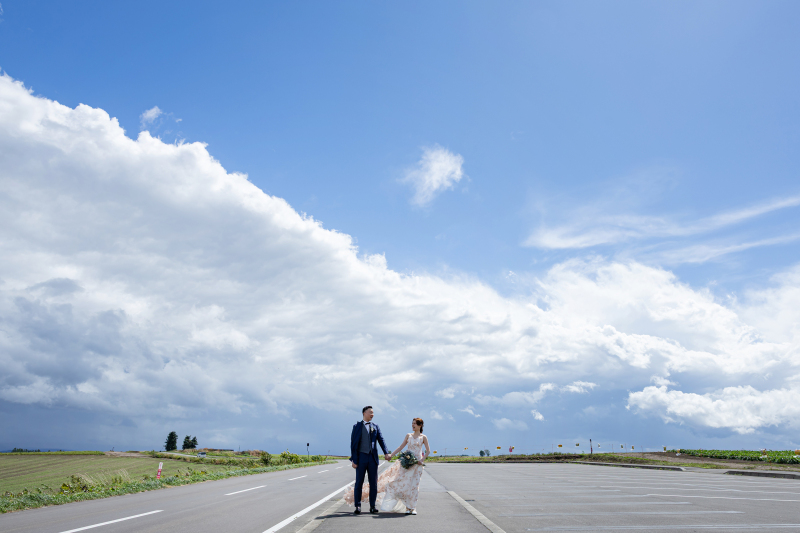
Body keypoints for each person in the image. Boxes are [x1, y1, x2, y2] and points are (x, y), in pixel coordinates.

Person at [344, 417, 431, 515]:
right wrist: (390, 455)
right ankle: (407, 507)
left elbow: (428, 450)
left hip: (417, 466)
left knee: (414, 486)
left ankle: (412, 508)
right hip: (407, 464)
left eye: (415, 423)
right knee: (405, 485)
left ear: (420, 425)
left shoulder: (423, 437)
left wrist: (421, 460)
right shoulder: (408, 435)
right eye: (412, 423)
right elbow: (401, 447)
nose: (412, 425)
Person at [347, 406, 390, 514]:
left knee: (373, 483)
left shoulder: (375, 426)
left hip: (372, 458)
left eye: (373, 413)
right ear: (364, 413)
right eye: (370, 412)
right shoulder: (356, 426)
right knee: (359, 483)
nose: (372, 414)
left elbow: (381, 439)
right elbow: (353, 444)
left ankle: (372, 506)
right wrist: (354, 459)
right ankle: (357, 506)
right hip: (360, 458)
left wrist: (386, 452)